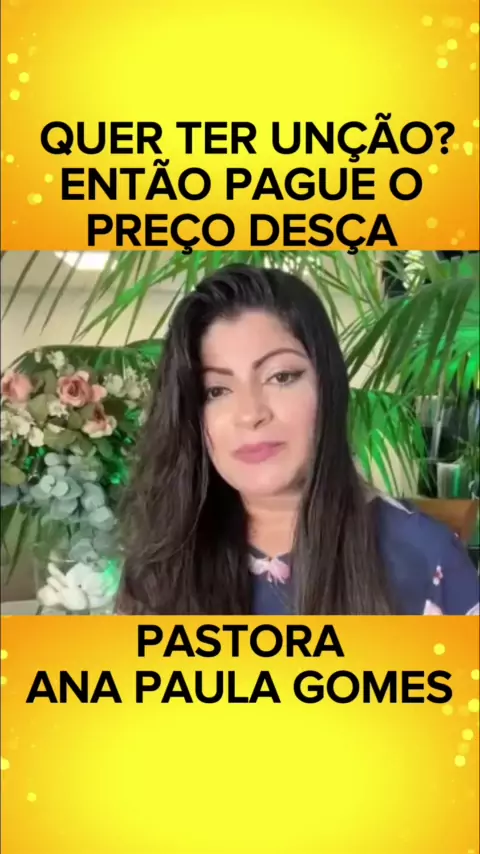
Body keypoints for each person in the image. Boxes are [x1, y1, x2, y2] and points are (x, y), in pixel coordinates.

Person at [117, 264, 479, 615]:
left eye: (281, 376)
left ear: (327, 386)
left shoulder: (427, 559)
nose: (250, 413)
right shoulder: (158, 565)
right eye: (216, 391)